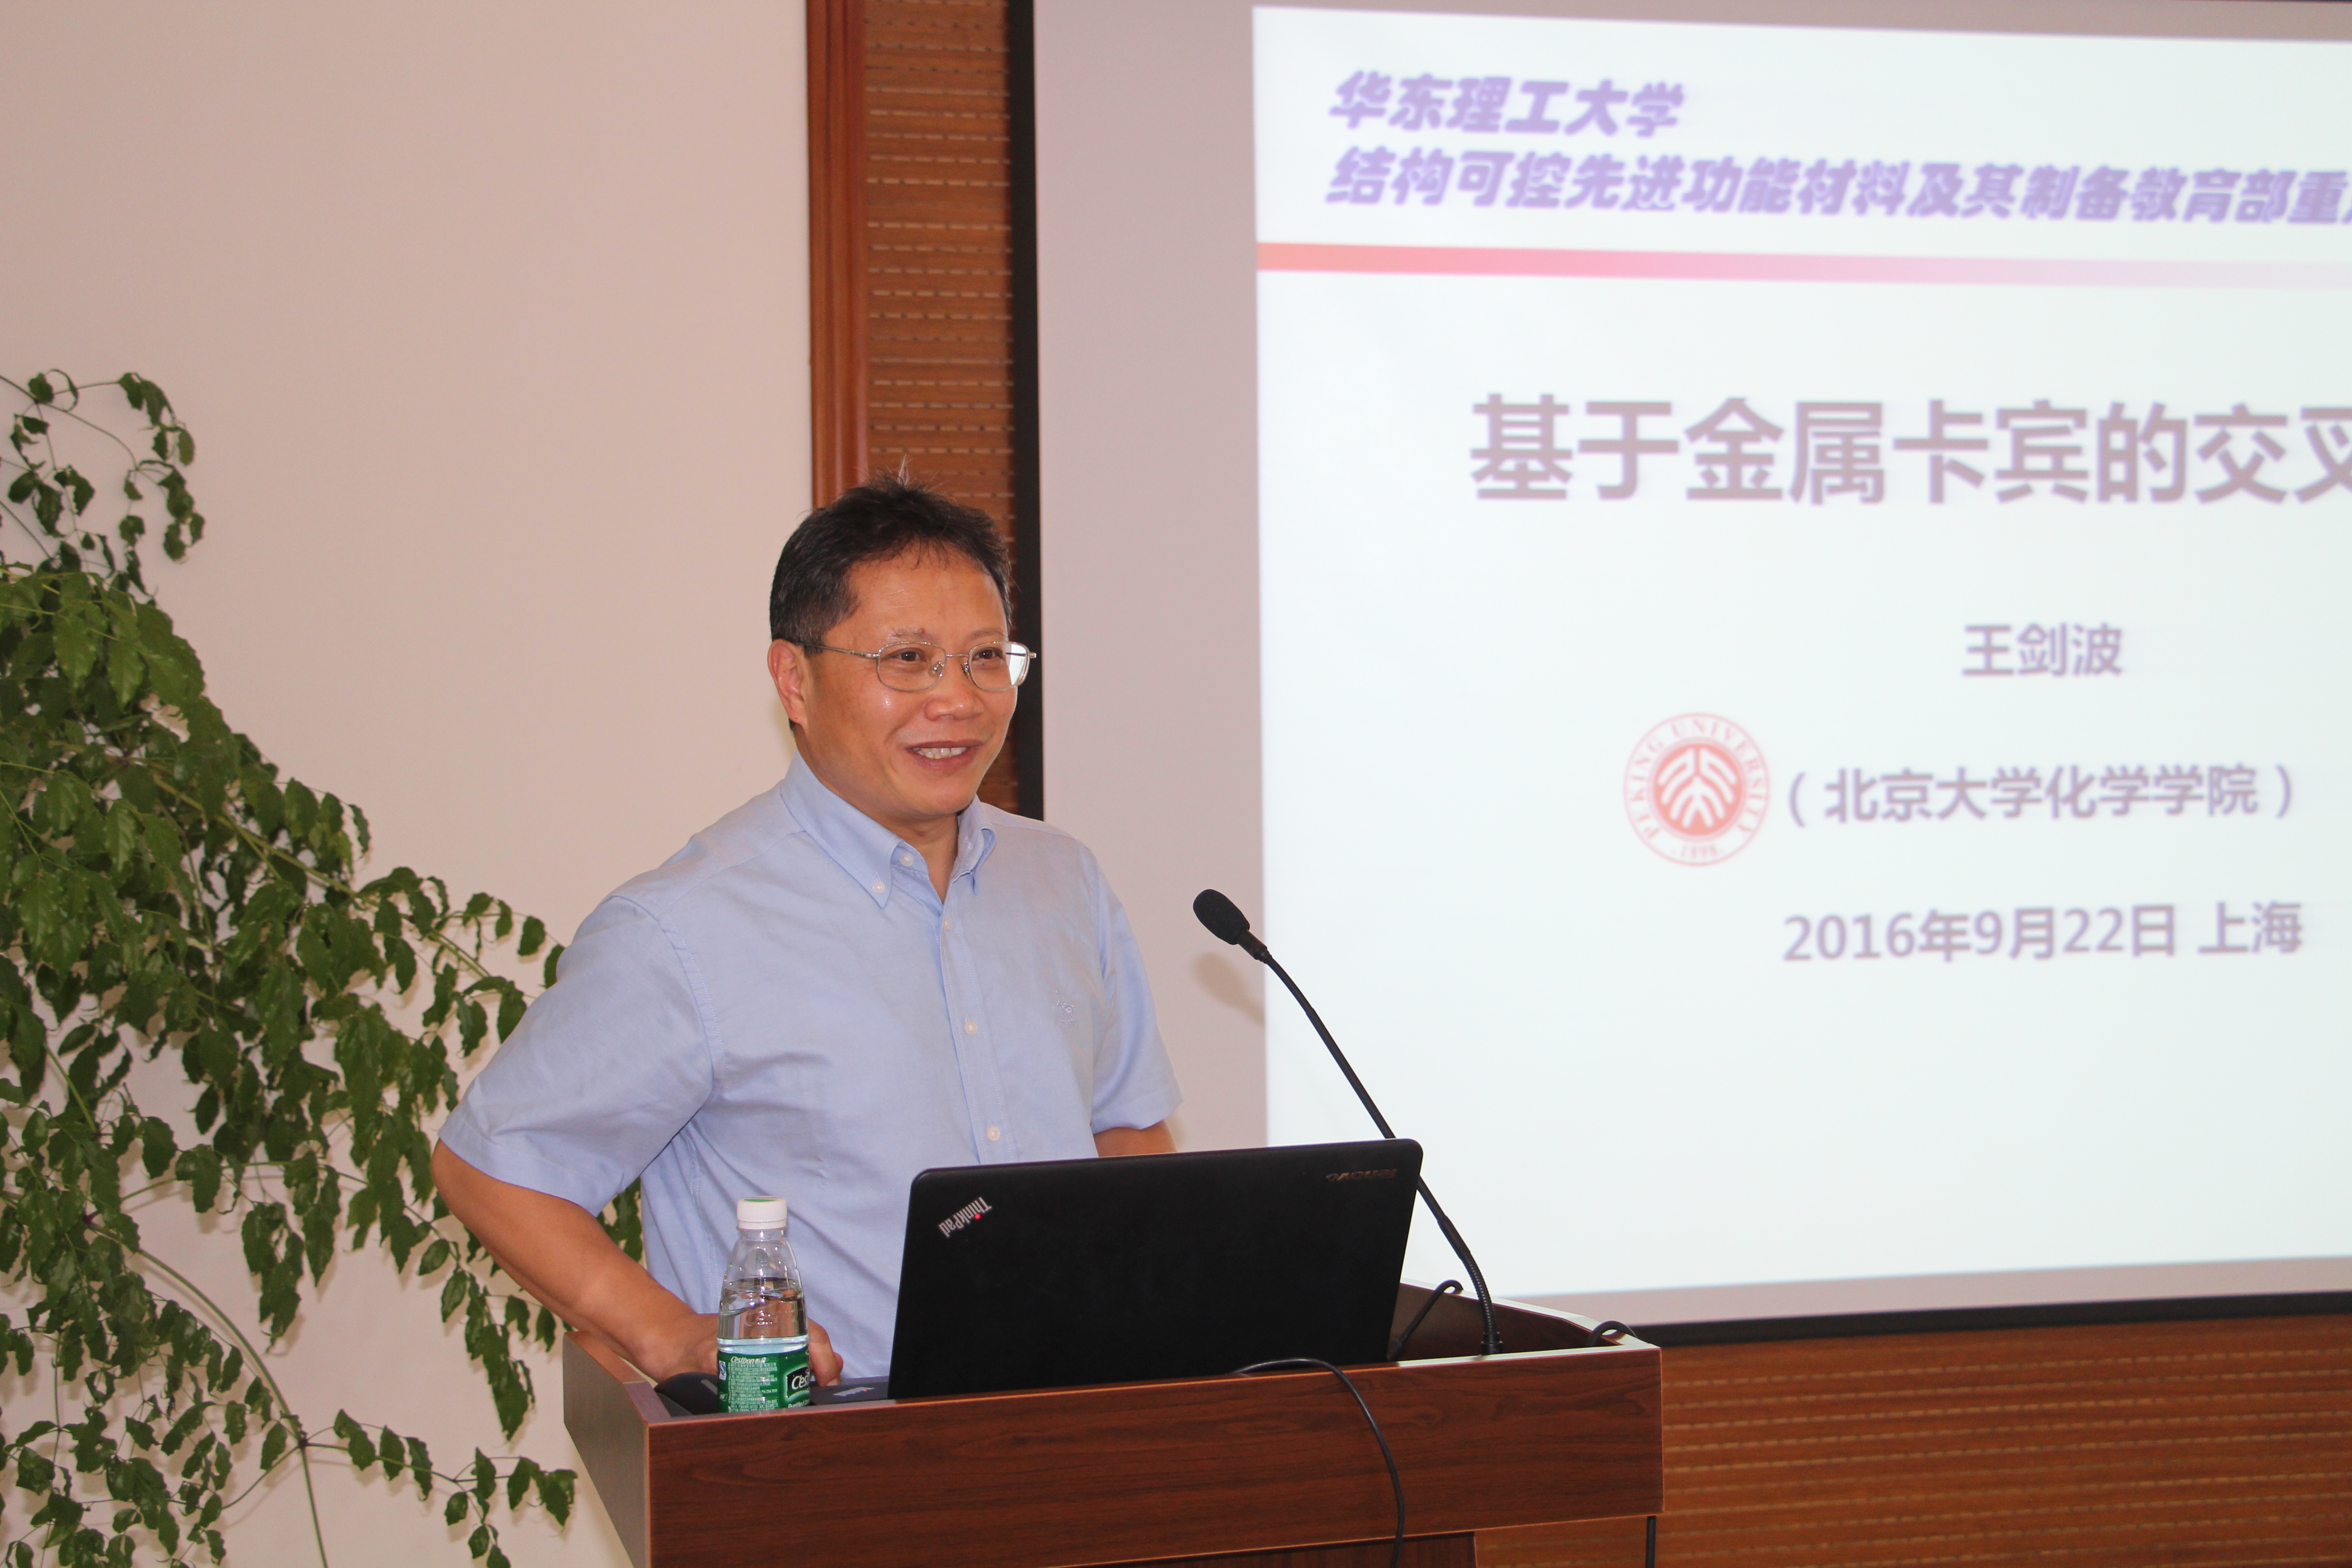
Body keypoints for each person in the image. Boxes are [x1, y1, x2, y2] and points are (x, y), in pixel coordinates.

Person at [433, 478, 1181, 1385]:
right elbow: (496, 1169)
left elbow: (1126, 1129)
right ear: (795, 680)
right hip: (835, 1437)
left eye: (986, 657)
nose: (958, 699)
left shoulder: (1062, 878)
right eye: (908, 659)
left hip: (1083, 1416)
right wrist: (669, 1337)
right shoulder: (685, 928)